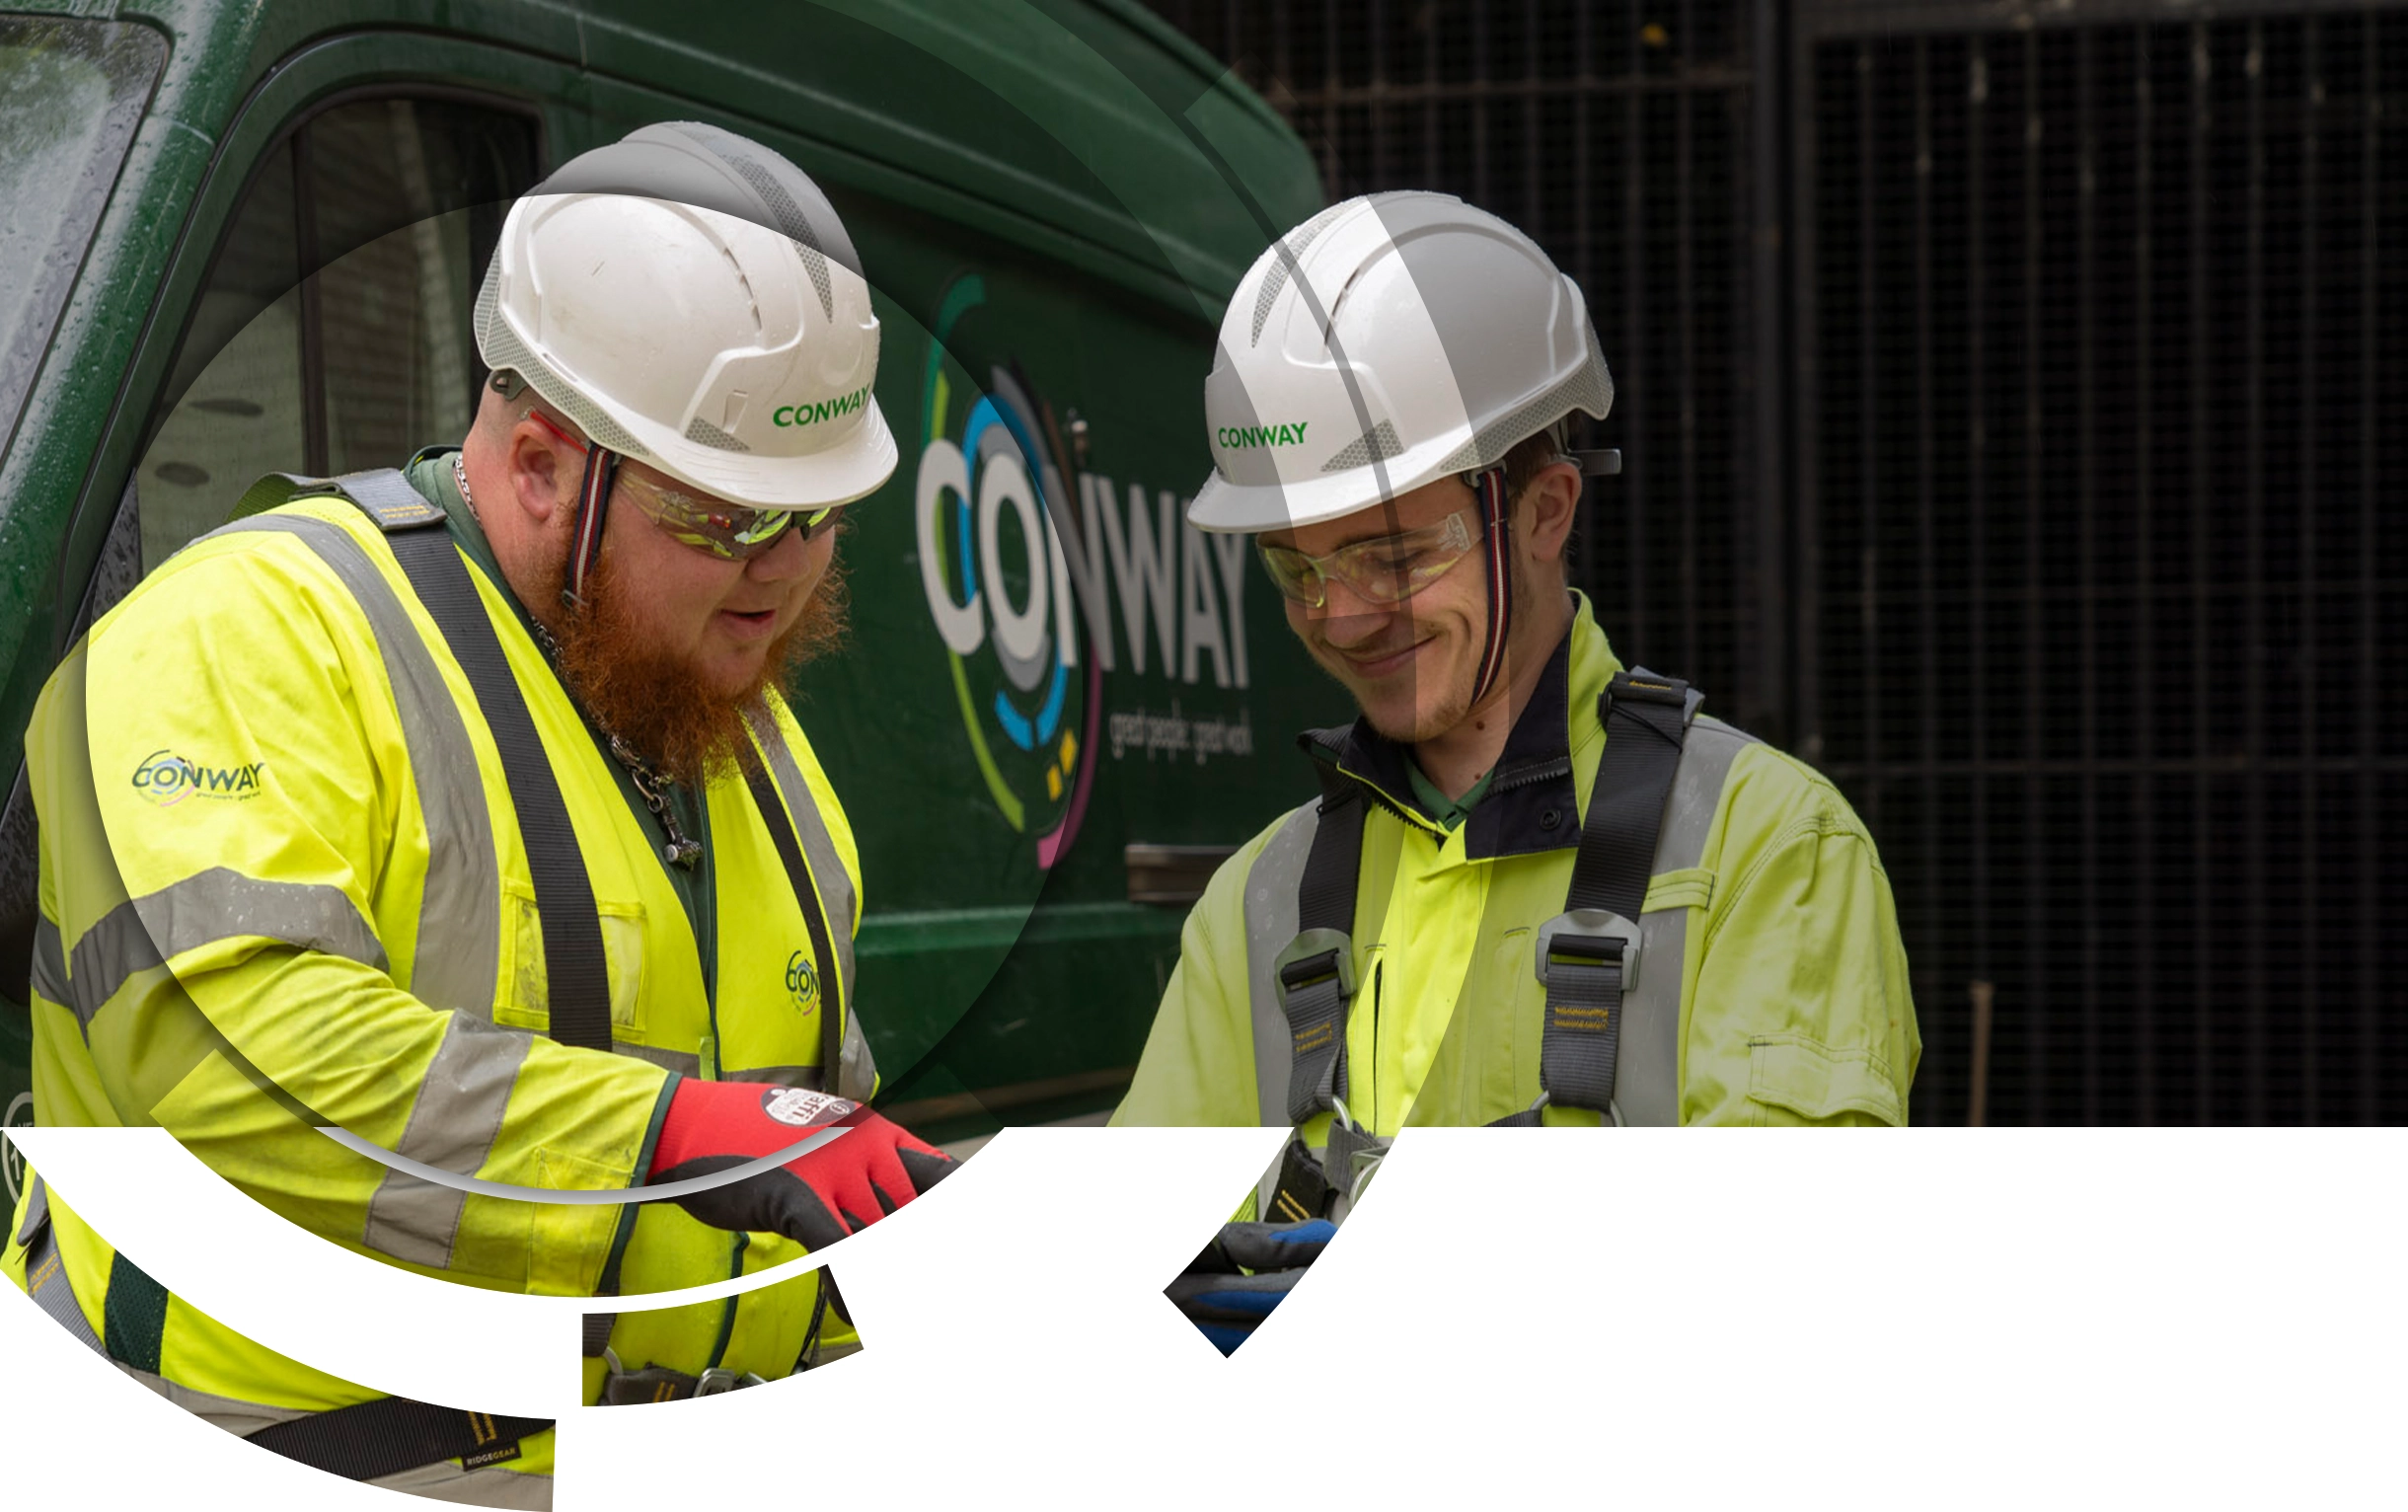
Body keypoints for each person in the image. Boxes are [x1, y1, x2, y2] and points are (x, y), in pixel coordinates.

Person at [2, 123, 951, 1502]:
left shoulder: (764, 755)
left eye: (812, 519)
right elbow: (226, 1059)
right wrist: (665, 1144)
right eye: (722, 521)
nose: (784, 577)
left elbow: (804, 1149)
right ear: (540, 466)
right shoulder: (246, 636)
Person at [1115, 192, 1920, 1350]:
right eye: (1295, 568)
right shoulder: (1259, 897)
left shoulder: (1765, 847)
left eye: (1390, 552)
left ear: (1545, 507)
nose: (1340, 615)